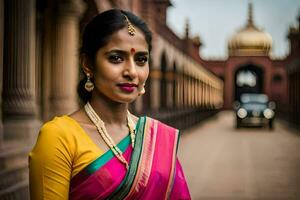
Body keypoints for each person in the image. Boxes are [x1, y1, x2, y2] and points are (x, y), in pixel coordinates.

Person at [29, 9, 191, 200]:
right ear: (88, 64)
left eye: (141, 60)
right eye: (116, 58)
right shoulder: (59, 137)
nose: (132, 72)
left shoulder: (157, 139)